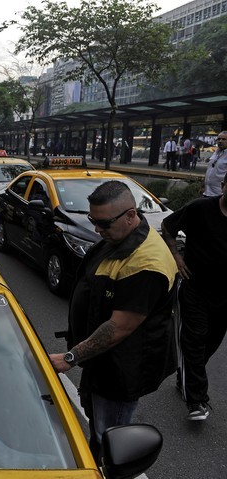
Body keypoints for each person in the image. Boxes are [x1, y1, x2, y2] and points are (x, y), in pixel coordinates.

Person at [49, 181, 178, 460]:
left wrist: (70, 357)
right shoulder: (119, 236)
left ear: (131, 215)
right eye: (93, 221)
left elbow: (119, 327)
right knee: (99, 427)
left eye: (104, 224)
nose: (97, 229)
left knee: (112, 439)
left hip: (120, 370)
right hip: (103, 363)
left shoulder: (147, 264)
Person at [161, 172, 227, 421]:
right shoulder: (201, 208)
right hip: (195, 287)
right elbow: (168, 226)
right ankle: (197, 401)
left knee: (211, 342)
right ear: (223, 186)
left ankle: (185, 377)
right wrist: (177, 257)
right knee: (194, 340)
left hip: (225, 295)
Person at [202, 131, 227, 197]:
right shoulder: (216, 152)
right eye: (218, 139)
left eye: (224, 139)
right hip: (207, 192)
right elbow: (209, 170)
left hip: (219, 195)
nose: (220, 141)